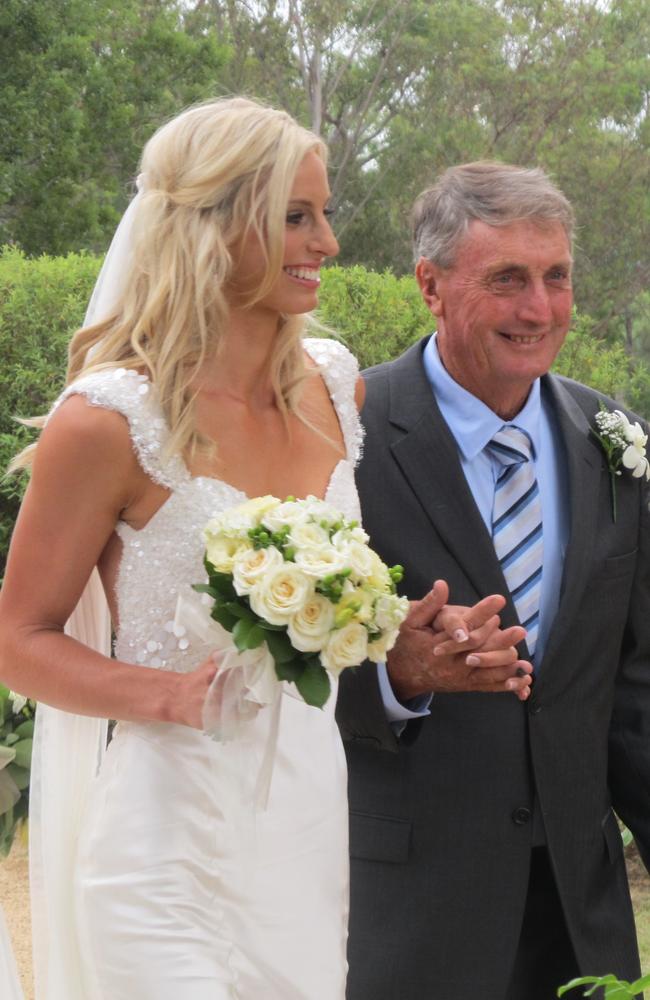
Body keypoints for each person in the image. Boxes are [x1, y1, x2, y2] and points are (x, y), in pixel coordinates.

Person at [0, 104, 529, 1000]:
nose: (326, 240)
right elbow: (20, 637)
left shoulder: (333, 386)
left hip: (307, 829)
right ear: (208, 223)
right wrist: (166, 695)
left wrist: (402, 639)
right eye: (295, 215)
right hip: (161, 841)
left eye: (322, 213)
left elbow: (322, 627)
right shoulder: (109, 421)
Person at [337, 161, 650, 1000]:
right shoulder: (343, 434)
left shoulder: (615, 438)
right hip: (407, 911)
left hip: (582, 921)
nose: (539, 309)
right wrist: (397, 676)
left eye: (556, 277)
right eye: (508, 279)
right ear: (430, 287)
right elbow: (273, 677)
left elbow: (633, 692)